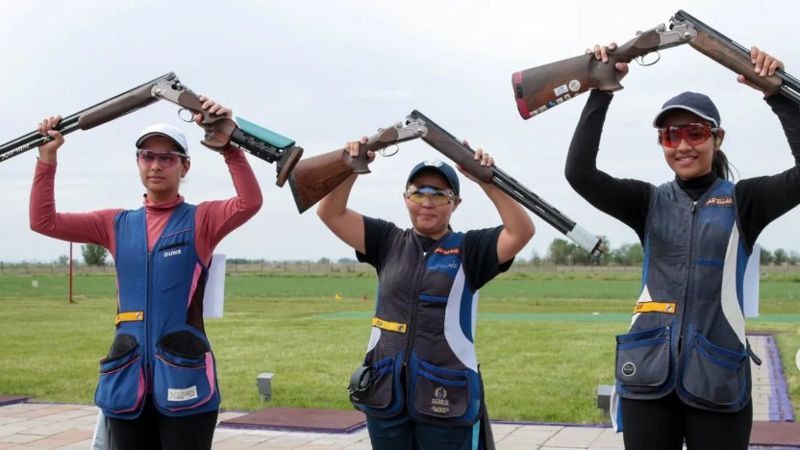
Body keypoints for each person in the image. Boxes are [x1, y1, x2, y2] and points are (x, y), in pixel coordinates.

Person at [565, 43, 800, 450]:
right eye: (671, 135)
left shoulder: (746, 201)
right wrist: (600, 90)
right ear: (662, 142)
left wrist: (777, 94)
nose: (683, 145)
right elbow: (579, 173)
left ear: (717, 137)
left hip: (719, 377)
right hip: (648, 377)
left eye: (695, 132)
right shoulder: (647, 201)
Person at [30, 96, 262, 450]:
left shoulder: (202, 220)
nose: (156, 165)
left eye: (167, 157)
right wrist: (47, 158)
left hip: (186, 377)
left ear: (185, 167)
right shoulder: (115, 224)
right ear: (138, 163)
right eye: (147, 156)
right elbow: (43, 221)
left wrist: (229, 146)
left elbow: (250, 202)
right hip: (127, 379)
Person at [317, 141, 534, 450]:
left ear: (455, 203)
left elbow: (521, 231)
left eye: (439, 195)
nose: (427, 203)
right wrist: (352, 167)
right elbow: (330, 212)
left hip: (447, 398)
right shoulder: (386, 240)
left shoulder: (470, 249)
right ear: (406, 198)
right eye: (419, 193)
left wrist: (488, 180)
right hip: (385, 395)